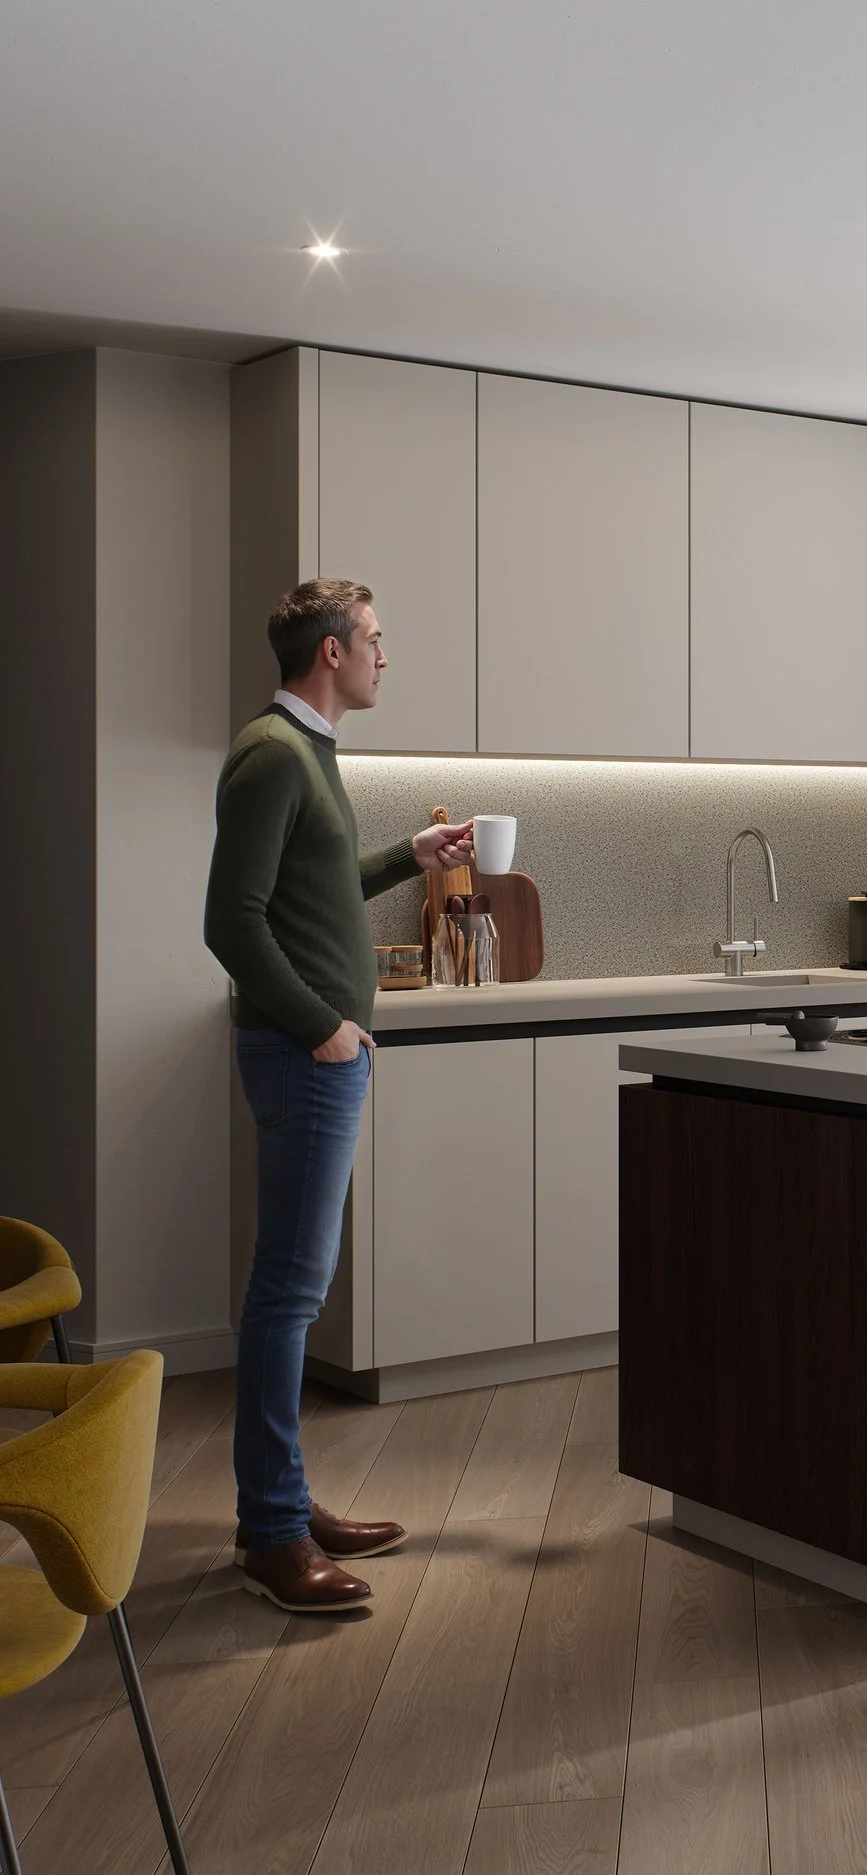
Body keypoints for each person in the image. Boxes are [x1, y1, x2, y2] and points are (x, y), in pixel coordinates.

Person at [205, 579, 476, 1612]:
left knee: (292, 1294)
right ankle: (273, 1534)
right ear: (329, 653)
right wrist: (322, 1027)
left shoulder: (307, 755)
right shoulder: (274, 756)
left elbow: (302, 892)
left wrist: (403, 858)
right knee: (288, 1297)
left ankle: (278, 1501)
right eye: (373, 639)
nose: (383, 656)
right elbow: (232, 922)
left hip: (316, 1053)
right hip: (304, 1056)